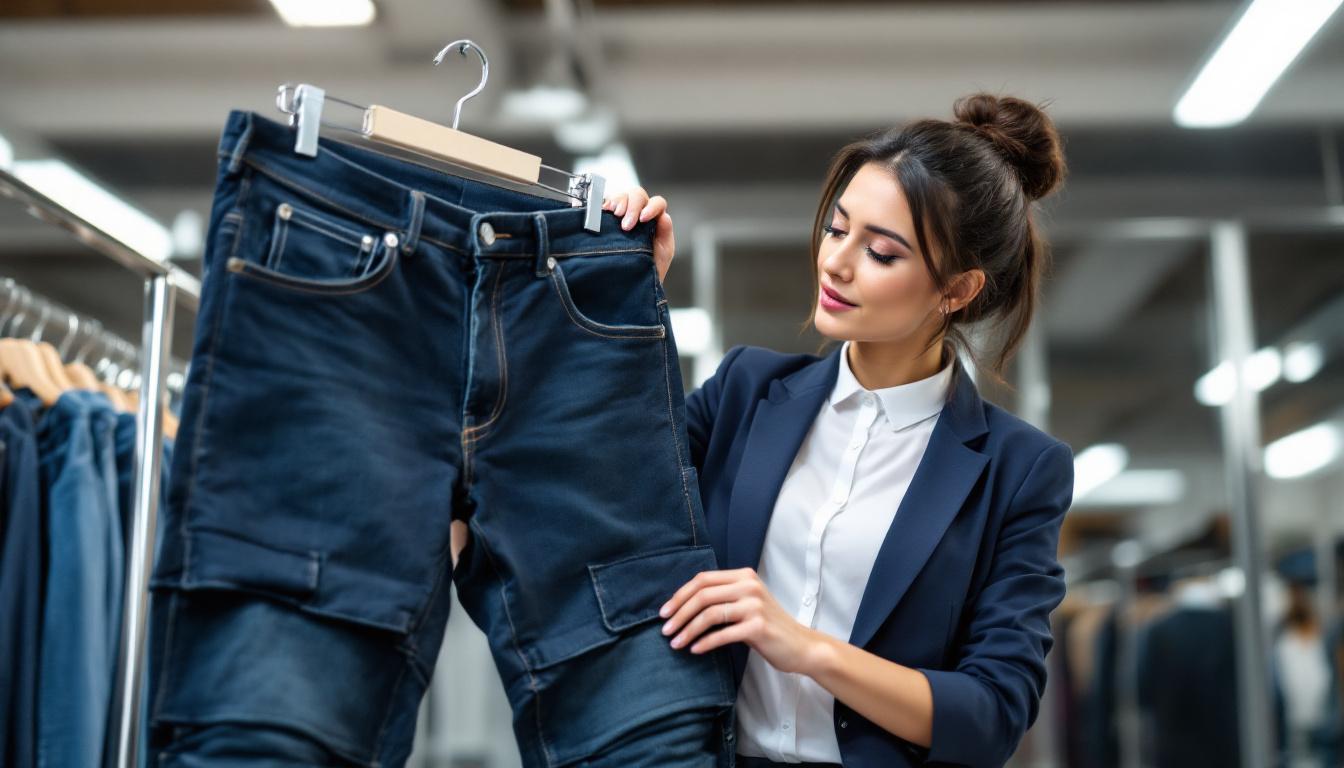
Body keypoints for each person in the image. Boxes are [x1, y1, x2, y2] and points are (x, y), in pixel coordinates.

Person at [626, 92, 1074, 768]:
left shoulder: (1019, 469)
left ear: (958, 289)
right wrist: (626, 302)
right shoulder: (745, 393)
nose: (836, 263)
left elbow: (991, 714)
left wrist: (807, 647)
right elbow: (614, 488)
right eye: (838, 230)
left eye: (882, 253)